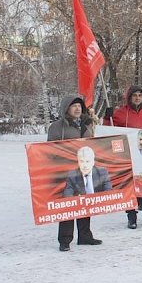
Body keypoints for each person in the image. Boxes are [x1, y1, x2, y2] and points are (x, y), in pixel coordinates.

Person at [47, 94, 102, 252]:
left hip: (84, 171)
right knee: (68, 205)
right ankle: (65, 240)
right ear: (66, 108)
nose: (77, 108)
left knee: (85, 203)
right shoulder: (57, 127)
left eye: (79, 106)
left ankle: (85, 236)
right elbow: (50, 149)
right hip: (67, 172)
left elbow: (93, 145)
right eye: (74, 106)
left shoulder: (86, 124)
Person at [105, 85, 142, 229]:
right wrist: (107, 118)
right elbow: (108, 130)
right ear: (129, 97)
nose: (137, 98)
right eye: (134, 95)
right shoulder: (121, 113)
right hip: (129, 157)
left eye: (140, 96)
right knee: (131, 188)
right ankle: (132, 217)